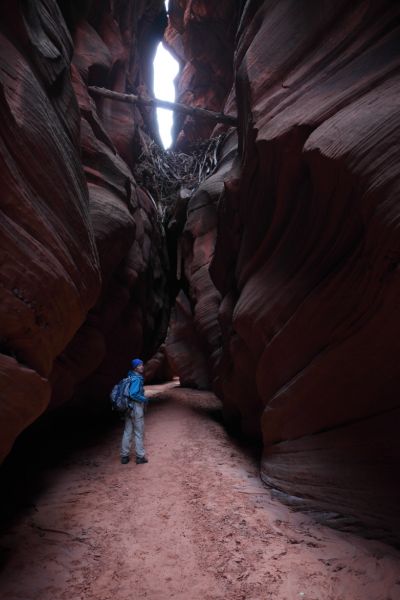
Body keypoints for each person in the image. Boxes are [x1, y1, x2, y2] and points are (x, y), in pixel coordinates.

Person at [120, 358, 148, 465]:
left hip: (128, 408)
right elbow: (133, 394)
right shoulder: (136, 379)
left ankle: (124, 456)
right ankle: (140, 457)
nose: (142, 367)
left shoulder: (129, 376)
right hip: (136, 408)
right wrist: (144, 399)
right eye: (140, 365)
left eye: (142, 364)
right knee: (138, 432)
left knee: (127, 432)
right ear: (135, 367)